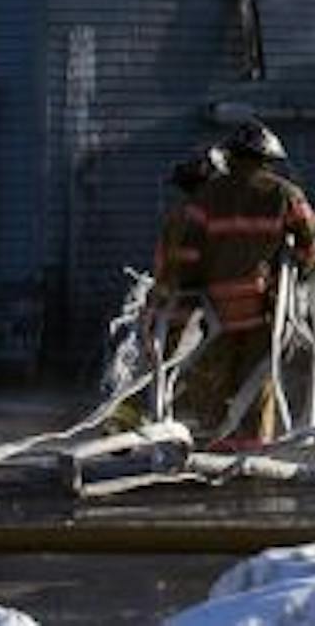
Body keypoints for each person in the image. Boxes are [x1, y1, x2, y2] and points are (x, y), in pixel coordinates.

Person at [179, 119, 315, 450]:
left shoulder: (207, 196)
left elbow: (189, 248)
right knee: (258, 375)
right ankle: (253, 444)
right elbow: (308, 232)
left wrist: (189, 290)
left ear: (231, 157)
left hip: (215, 306)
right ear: (268, 160)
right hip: (262, 302)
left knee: (216, 374)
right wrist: (303, 264)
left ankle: (218, 438)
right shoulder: (285, 194)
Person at [106, 147, 222, 432]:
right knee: (171, 365)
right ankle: (134, 422)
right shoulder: (203, 216)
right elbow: (188, 265)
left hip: (177, 303)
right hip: (190, 305)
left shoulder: (182, 215)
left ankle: (127, 420)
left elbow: (168, 266)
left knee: (156, 364)